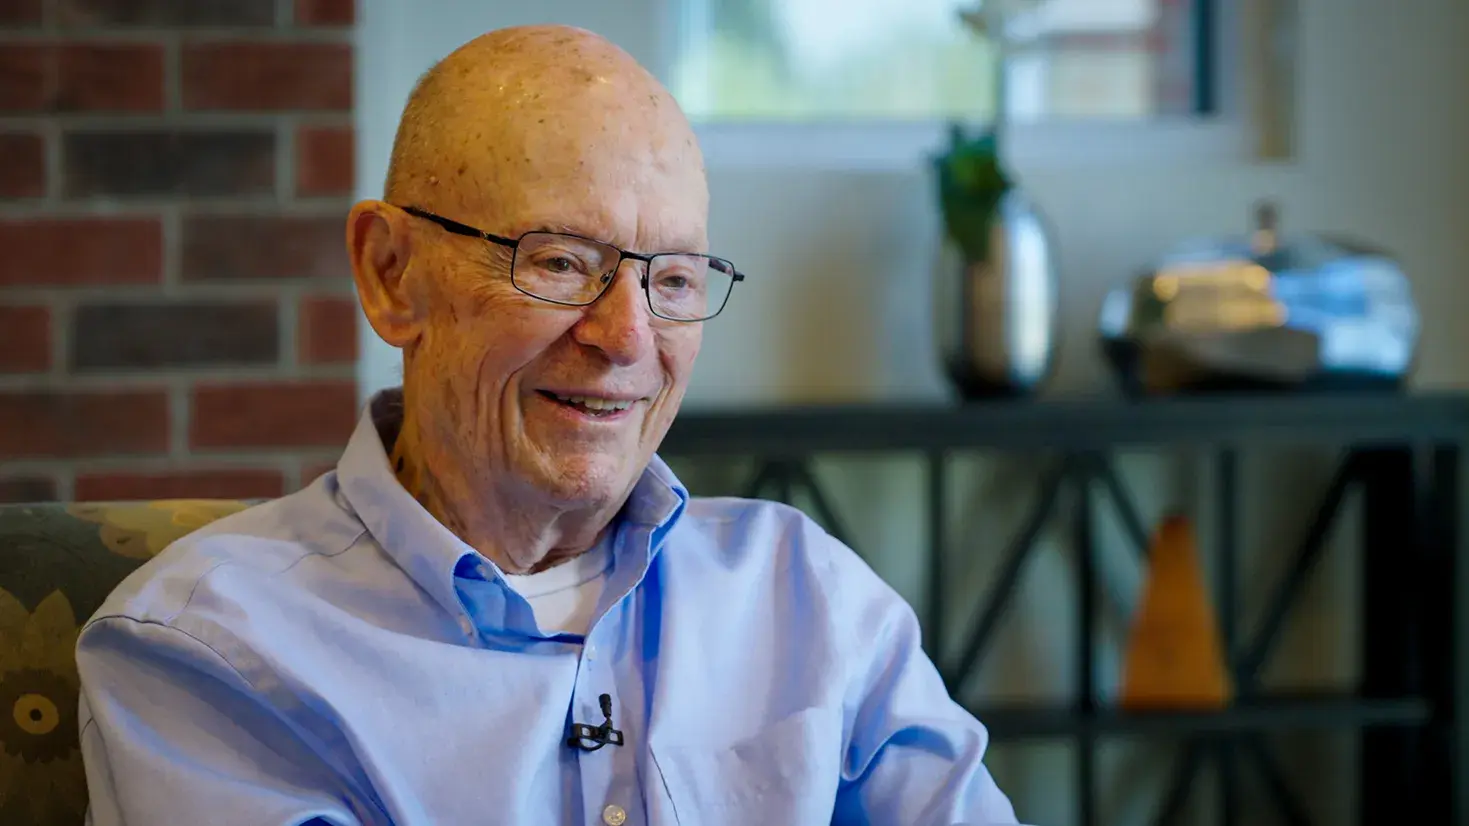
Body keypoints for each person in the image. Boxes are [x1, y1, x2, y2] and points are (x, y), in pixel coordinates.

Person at [75, 24, 1023, 826]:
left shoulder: (807, 597)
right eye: (561, 262)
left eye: (676, 280)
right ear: (391, 274)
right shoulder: (207, 651)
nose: (626, 338)